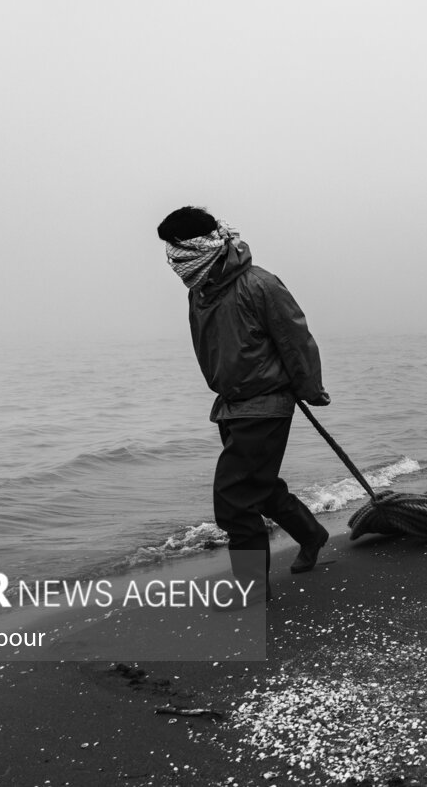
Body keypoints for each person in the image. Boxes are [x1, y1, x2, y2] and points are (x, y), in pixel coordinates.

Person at [157, 206, 330, 599]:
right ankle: (312, 534)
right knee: (260, 489)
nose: (172, 259)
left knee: (234, 503)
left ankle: (252, 591)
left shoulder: (259, 284)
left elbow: (295, 338)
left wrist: (310, 387)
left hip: (265, 404)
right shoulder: (199, 292)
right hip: (231, 405)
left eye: (176, 248)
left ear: (199, 246)